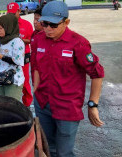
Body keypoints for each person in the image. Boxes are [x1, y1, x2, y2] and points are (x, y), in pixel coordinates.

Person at [33, 1, 105, 157]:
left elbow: (97, 73)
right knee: (47, 147)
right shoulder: (38, 40)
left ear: (66, 22)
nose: (47, 29)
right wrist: (35, 89)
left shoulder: (78, 43)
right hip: (43, 103)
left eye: (53, 25)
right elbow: (35, 66)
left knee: (64, 152)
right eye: (44, 23)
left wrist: (93, 104)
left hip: (67, 107)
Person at [0, 14, 25, 101]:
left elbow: (18, 61)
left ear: (8, 27)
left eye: (1, 28)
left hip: (13, 80)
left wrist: (1, 56)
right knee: (3, 106)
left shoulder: (17, 42)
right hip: (0, 78)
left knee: (11, 107)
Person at [7, 2, 33, 107]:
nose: (11, 16)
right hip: (10, 56)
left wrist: (20, 40)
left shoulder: (26, 24)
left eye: (13, 14)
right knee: (11, 79)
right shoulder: (6, 24)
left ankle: (27, 104)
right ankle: (13, 105)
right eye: (9, 14)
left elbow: (31, 40)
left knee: (25, 81)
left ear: (19, 11)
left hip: (23, 56)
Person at [30, 7, 43, 84]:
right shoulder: (34, 34)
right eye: (34, 19)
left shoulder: (50, 37)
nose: (34, 22)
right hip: (34, 77)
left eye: (37, 20)